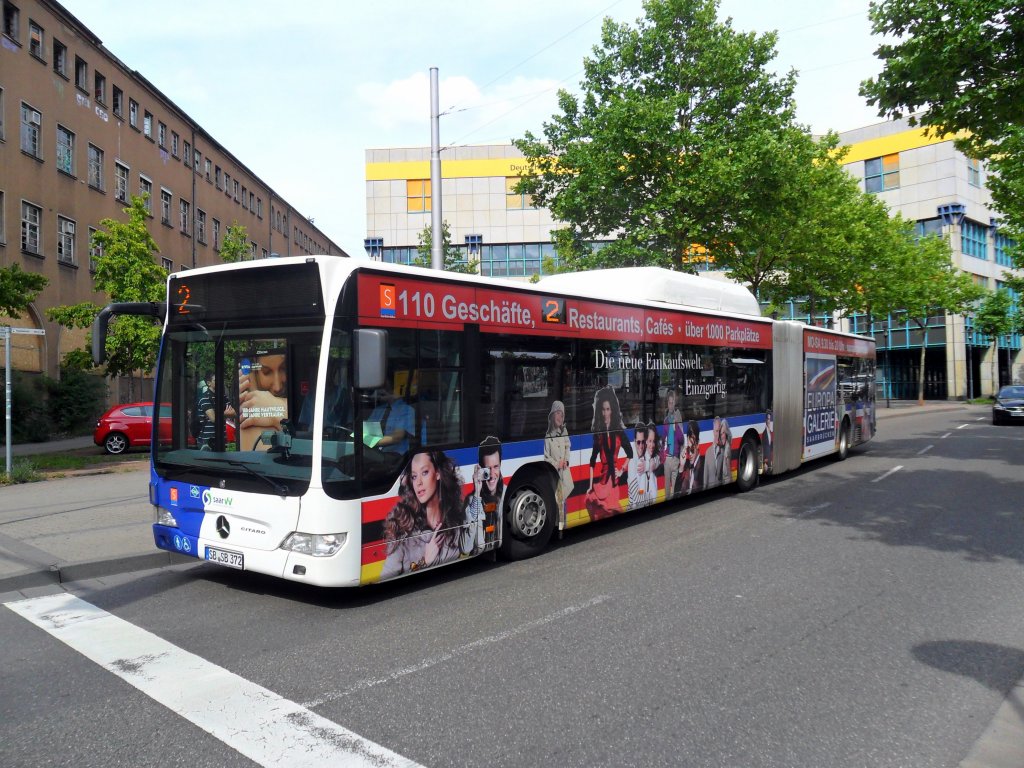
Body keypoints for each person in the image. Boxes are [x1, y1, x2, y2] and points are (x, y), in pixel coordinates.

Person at [380, 450, 470, 579]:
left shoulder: (457, 520)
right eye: (414, 476)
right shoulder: (403, 528)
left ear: (438, 473)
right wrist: (425, 561)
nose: (418, 483)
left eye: (425, 472)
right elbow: (385, 576)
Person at [585, 386, 632, 521]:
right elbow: (592, 461)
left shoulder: (618, 432)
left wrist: (622, 470)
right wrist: (590, 486)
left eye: (608, 409)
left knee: (612, 510)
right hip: (602, 480)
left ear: (612, 411)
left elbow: (630, 452)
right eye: (603, 409)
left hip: (614, 481)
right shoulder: (599, 434)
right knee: (594, 506)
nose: (605, 413)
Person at [239, 350, 289, 451]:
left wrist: (281, 408)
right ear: (254, 374)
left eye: (284, 369)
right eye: (266, 372)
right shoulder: (250, 422)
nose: (277, 387)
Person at [465, 436, 503, 553]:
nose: (491, 475)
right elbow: (467, 547)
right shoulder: (473, 499)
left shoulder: (507, 493)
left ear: (501, 465)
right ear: (481, 469)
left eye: (495, 467)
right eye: (487, 469)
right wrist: (477, 492)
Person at [544, 401, 574, 519]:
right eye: (557, 413)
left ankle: (562, 521)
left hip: (564, 471)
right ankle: (559, 522)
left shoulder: (564, 431)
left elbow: (567, 446)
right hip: (555, 472)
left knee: (564, 494)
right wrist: (557, 464)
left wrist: (566, 460)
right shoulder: (548, 436)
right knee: (558, 498)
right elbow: (547, 457)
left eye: (562, 415)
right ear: (552, 415)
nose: (560, 417)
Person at [366, 384, 415, 453]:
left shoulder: (406, 410)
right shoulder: (378, 410)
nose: (381, 390)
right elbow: (367, 432)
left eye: (386, 387)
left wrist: (367, 442)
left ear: (395, 389)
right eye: (381, 387)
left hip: (397, 458)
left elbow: (397, 437)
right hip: (376, 454)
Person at [196, 371, 236, 450]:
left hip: (222, 439)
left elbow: (234, 413)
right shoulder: (205, 398)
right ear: (209, 383)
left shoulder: (223, 397)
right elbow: (213, 418)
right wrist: (225, 414)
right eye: (216, 380)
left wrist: (224, 414)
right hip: (207, 442)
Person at [627, 423, 659, 508]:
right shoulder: (633, 463)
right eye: (638, 442)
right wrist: (652, 497)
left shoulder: (647, 458)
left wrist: (649, 465)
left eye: (643, 442)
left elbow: (658, 458)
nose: (641, 446)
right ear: (634, 441)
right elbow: (637, 499)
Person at [660, 389, 682, 499]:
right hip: (667, 458)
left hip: (675, 457)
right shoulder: (665, 419)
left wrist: (675, 428)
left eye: (672, 402)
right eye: (669, 402)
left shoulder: (678, 416)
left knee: (674, 489)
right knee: (667, 488)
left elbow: (681, 438)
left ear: (675, 403)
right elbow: (663, 440)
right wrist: (662, 457)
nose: (670, 404)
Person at [703, 416, 732, 488]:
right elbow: (705, 478)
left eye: (721, 432)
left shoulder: (725, 450)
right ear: (713, 432)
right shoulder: (708, 452)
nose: (718, 435)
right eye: (717, 431)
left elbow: (728, 475)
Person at [678, 419, 704, 496]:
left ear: (698, 443)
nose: (690, 453)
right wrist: (681, 467)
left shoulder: (702, 466)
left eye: (693, 449)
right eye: (689, 449)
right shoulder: (686, 463)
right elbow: (677, 489)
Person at [763, 409, 774, 474]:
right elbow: (764, 447)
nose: (769, 421)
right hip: (767, 459)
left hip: (770, 459)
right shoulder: (764, 433)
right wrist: (765, 462)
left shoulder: (770, 432)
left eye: (770, 419)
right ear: (766, 421)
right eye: (767, 419)